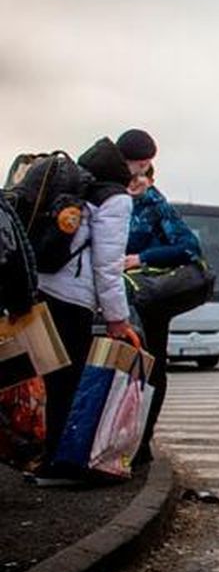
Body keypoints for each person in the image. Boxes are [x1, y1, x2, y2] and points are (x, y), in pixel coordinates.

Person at [33, 138, 135, 481]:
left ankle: (49, 459)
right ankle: (64, 464)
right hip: (72, 298)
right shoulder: (115, 198)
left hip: (43, 288)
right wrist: (117, 318)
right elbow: (108, 265)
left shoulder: (78, 185)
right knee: (70, 382)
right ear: (132, 164)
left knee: (53, 379)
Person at [119, 129, 203, 466]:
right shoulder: (105, 195)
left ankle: (141, 441)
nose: (138, 180)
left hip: (149, 298)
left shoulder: (153, 203)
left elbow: (188, 248)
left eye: (145, 173)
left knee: (151, 367)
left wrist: (142, 258)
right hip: (114, 296)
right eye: (136, 170)